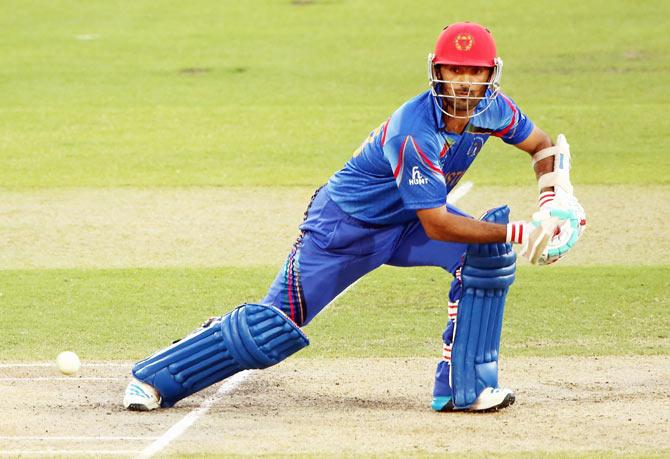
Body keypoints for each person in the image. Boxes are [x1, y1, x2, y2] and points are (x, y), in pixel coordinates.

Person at [123, 22, 585, 413]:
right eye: (454, 70)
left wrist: (552, 199)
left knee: (486, 255)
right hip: (344, 229)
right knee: (275, 326)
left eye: (474, 72)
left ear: (490, 76)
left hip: (406, 223)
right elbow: (437, 224)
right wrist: (523, 230)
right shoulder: (413, 131)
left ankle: (464, 389)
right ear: (436, 72)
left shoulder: (491, 108)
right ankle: (157, 376)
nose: (464, 82)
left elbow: (542, 145)